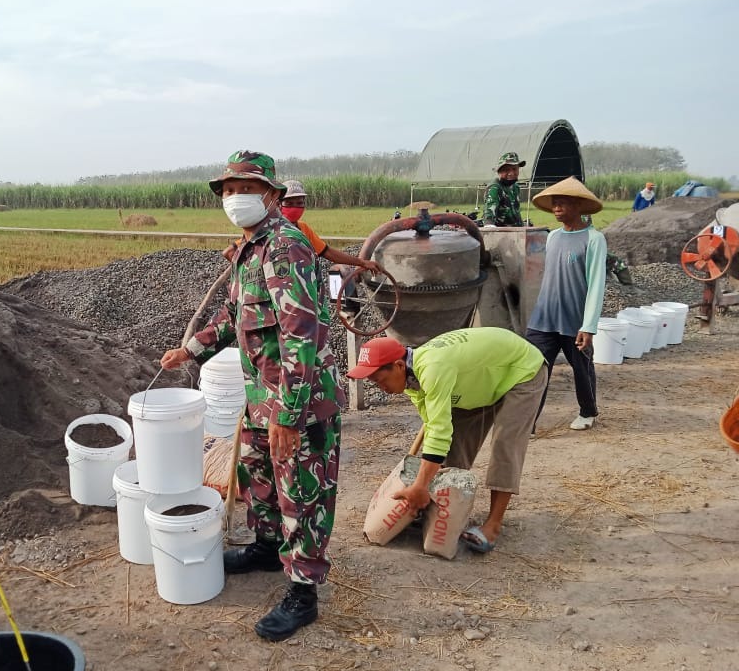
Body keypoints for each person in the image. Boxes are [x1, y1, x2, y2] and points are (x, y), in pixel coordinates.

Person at [162, 150, 344, 642]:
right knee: (258, 477)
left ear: (271, 196)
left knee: (301, 491)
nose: (235, 198)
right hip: (262, 395)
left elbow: (301, 334)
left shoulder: (285, 248)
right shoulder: (250, 249)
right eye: (229, 190)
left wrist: (289, 414)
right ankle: (267, 548)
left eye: (247, 189)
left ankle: (303, 590)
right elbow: (233, 315)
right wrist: (190, 349)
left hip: (298, 400)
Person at [346, 328, 547, 553]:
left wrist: (420, 485)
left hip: (522, 370)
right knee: (454, 444)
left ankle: (493, 526)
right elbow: (434, 427)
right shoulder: (411, 380)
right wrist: (420, 484)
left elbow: (438, 432)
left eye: (381, 380)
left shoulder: (432, 368)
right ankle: (442, 509)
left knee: (505, 446)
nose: (382, 388)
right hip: (482, 379)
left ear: (399, 365)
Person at [524, 176, 607, 432]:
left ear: (579, 205)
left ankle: (588, 411)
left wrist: (589, 325)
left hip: (575, 319)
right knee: (534, 369)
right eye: (554, 203)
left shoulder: (594, 239)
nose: (557, 208)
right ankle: (528, 422)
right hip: (544, 317)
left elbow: (596, 284)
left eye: (562, 203)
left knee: (582, 368)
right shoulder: (553, 237)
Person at [223, 179, 381, 274]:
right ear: (278, 203)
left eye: (299, 203)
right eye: (290, 203)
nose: (295, 207)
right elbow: (229, 252)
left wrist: (362, 262)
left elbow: (327, 252)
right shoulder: (267, 231)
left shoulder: (303, 229)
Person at [483, 152, 526, 227]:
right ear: (499, 172)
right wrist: (489, 224)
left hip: (517, 230)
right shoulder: (495, 187)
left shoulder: (515, 187)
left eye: (514, 169)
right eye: (506, 170)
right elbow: (489, 210)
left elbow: (516, 211)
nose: (511, 173)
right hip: (502, 231)